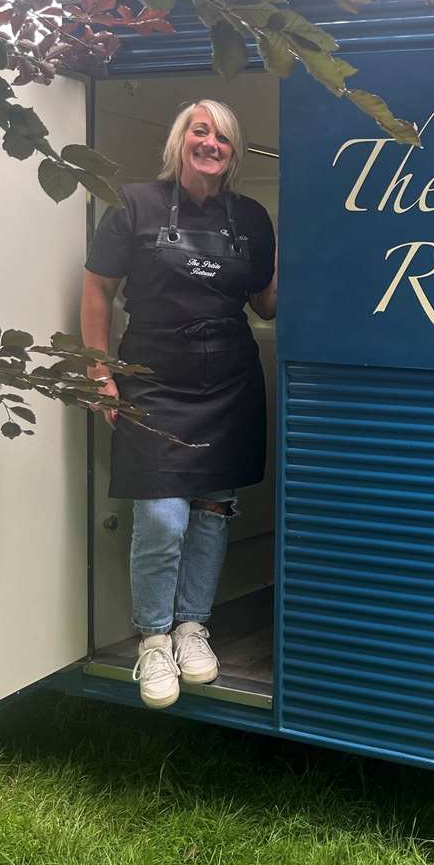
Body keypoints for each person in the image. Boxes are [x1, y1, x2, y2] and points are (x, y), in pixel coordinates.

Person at [80, 100, 277, 709]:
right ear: (180, 140)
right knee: (163, 518)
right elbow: (97, 288)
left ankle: (193, 627)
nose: (210, 142)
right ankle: (154, 639)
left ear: (234, 151)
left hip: (228, 378)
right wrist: (98, 368)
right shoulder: (133, 205)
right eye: (200, 131)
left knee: (213, 510)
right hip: (153, 378)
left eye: (222, 135)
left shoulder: (250, 217)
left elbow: (266, 305)